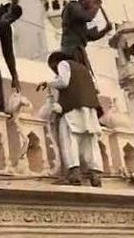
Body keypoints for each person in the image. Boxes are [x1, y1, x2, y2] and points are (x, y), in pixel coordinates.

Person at [37, 51, 104, 187]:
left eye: (53, 68)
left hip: (73, 109)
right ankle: (95, 175)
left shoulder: (63, 64)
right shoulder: (84, 69)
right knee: (90, 142)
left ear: (54, 62)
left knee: (69, 139)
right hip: (89, 110)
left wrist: (48, 83)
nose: (55, 71)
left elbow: (63, 82)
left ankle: (74, 173)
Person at [61, 0, 112, 72]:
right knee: (78, 72)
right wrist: (97, 6)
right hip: (71, 49)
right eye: (92, 2)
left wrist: (105, 30)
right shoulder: (73, 6)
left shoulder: (81, 18)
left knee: (84, 73)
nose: (92, 5)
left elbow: (89, 36)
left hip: (78, 49)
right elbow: (87, 17)